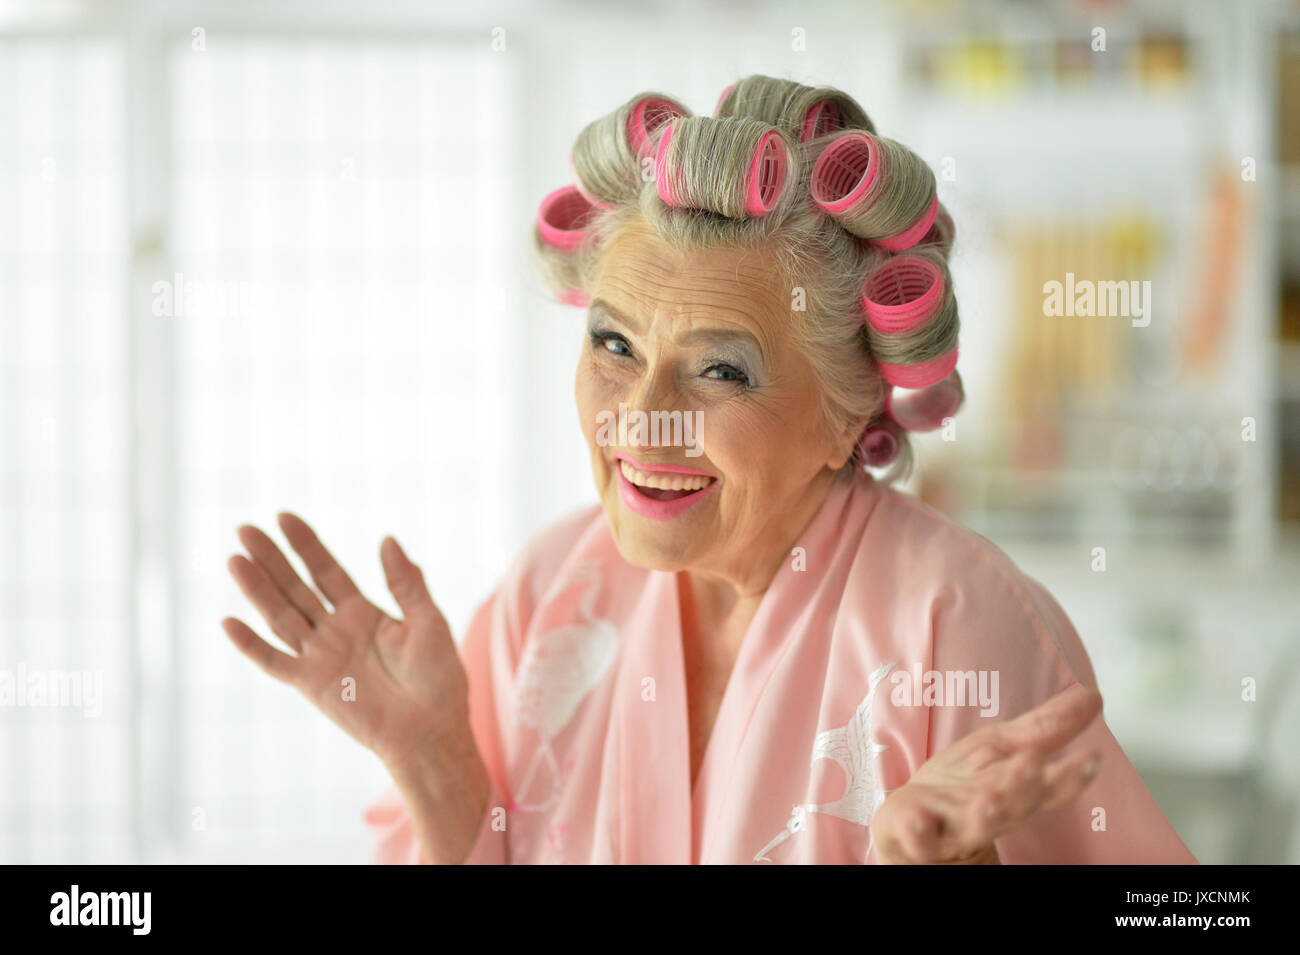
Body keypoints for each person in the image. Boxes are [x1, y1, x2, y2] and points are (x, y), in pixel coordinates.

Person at [223, 75, 1197, 864]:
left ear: (847, 408)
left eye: (720, 369)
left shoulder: (955, 618)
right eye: (613, 346)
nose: (641, 418)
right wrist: (439, 771)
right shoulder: (548, 590)